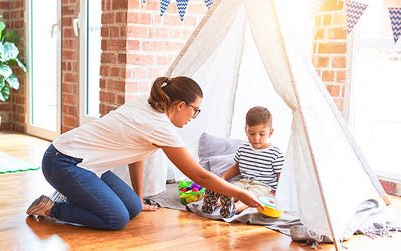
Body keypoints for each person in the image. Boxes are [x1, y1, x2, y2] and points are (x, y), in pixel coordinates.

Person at [26, 76, 263, 230]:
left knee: (133, 209)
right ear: (180, 105)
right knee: (116, 219)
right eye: (195, 110)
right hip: (64, 161)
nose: (194, 116)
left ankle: (73, 192)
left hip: (89, 165)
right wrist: (240, 193)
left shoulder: (148, 105)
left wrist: (138, 197)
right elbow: (199, 176)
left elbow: (135, 152)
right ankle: (51, 207)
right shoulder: (159, 126)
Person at [201, 106, 284, 218]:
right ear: (246, 130)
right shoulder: (243, 149)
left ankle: (234, 208)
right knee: (232, 191)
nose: (256, 138)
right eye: (252, 133)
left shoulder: (275, 153)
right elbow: (237, 167)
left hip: (263, 186)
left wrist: (282, 194)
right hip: (244, 182)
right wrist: (223, 178)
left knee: (252, 198)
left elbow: (281, 176)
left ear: (270, 132)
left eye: (262, 134)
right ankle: (214, 203)